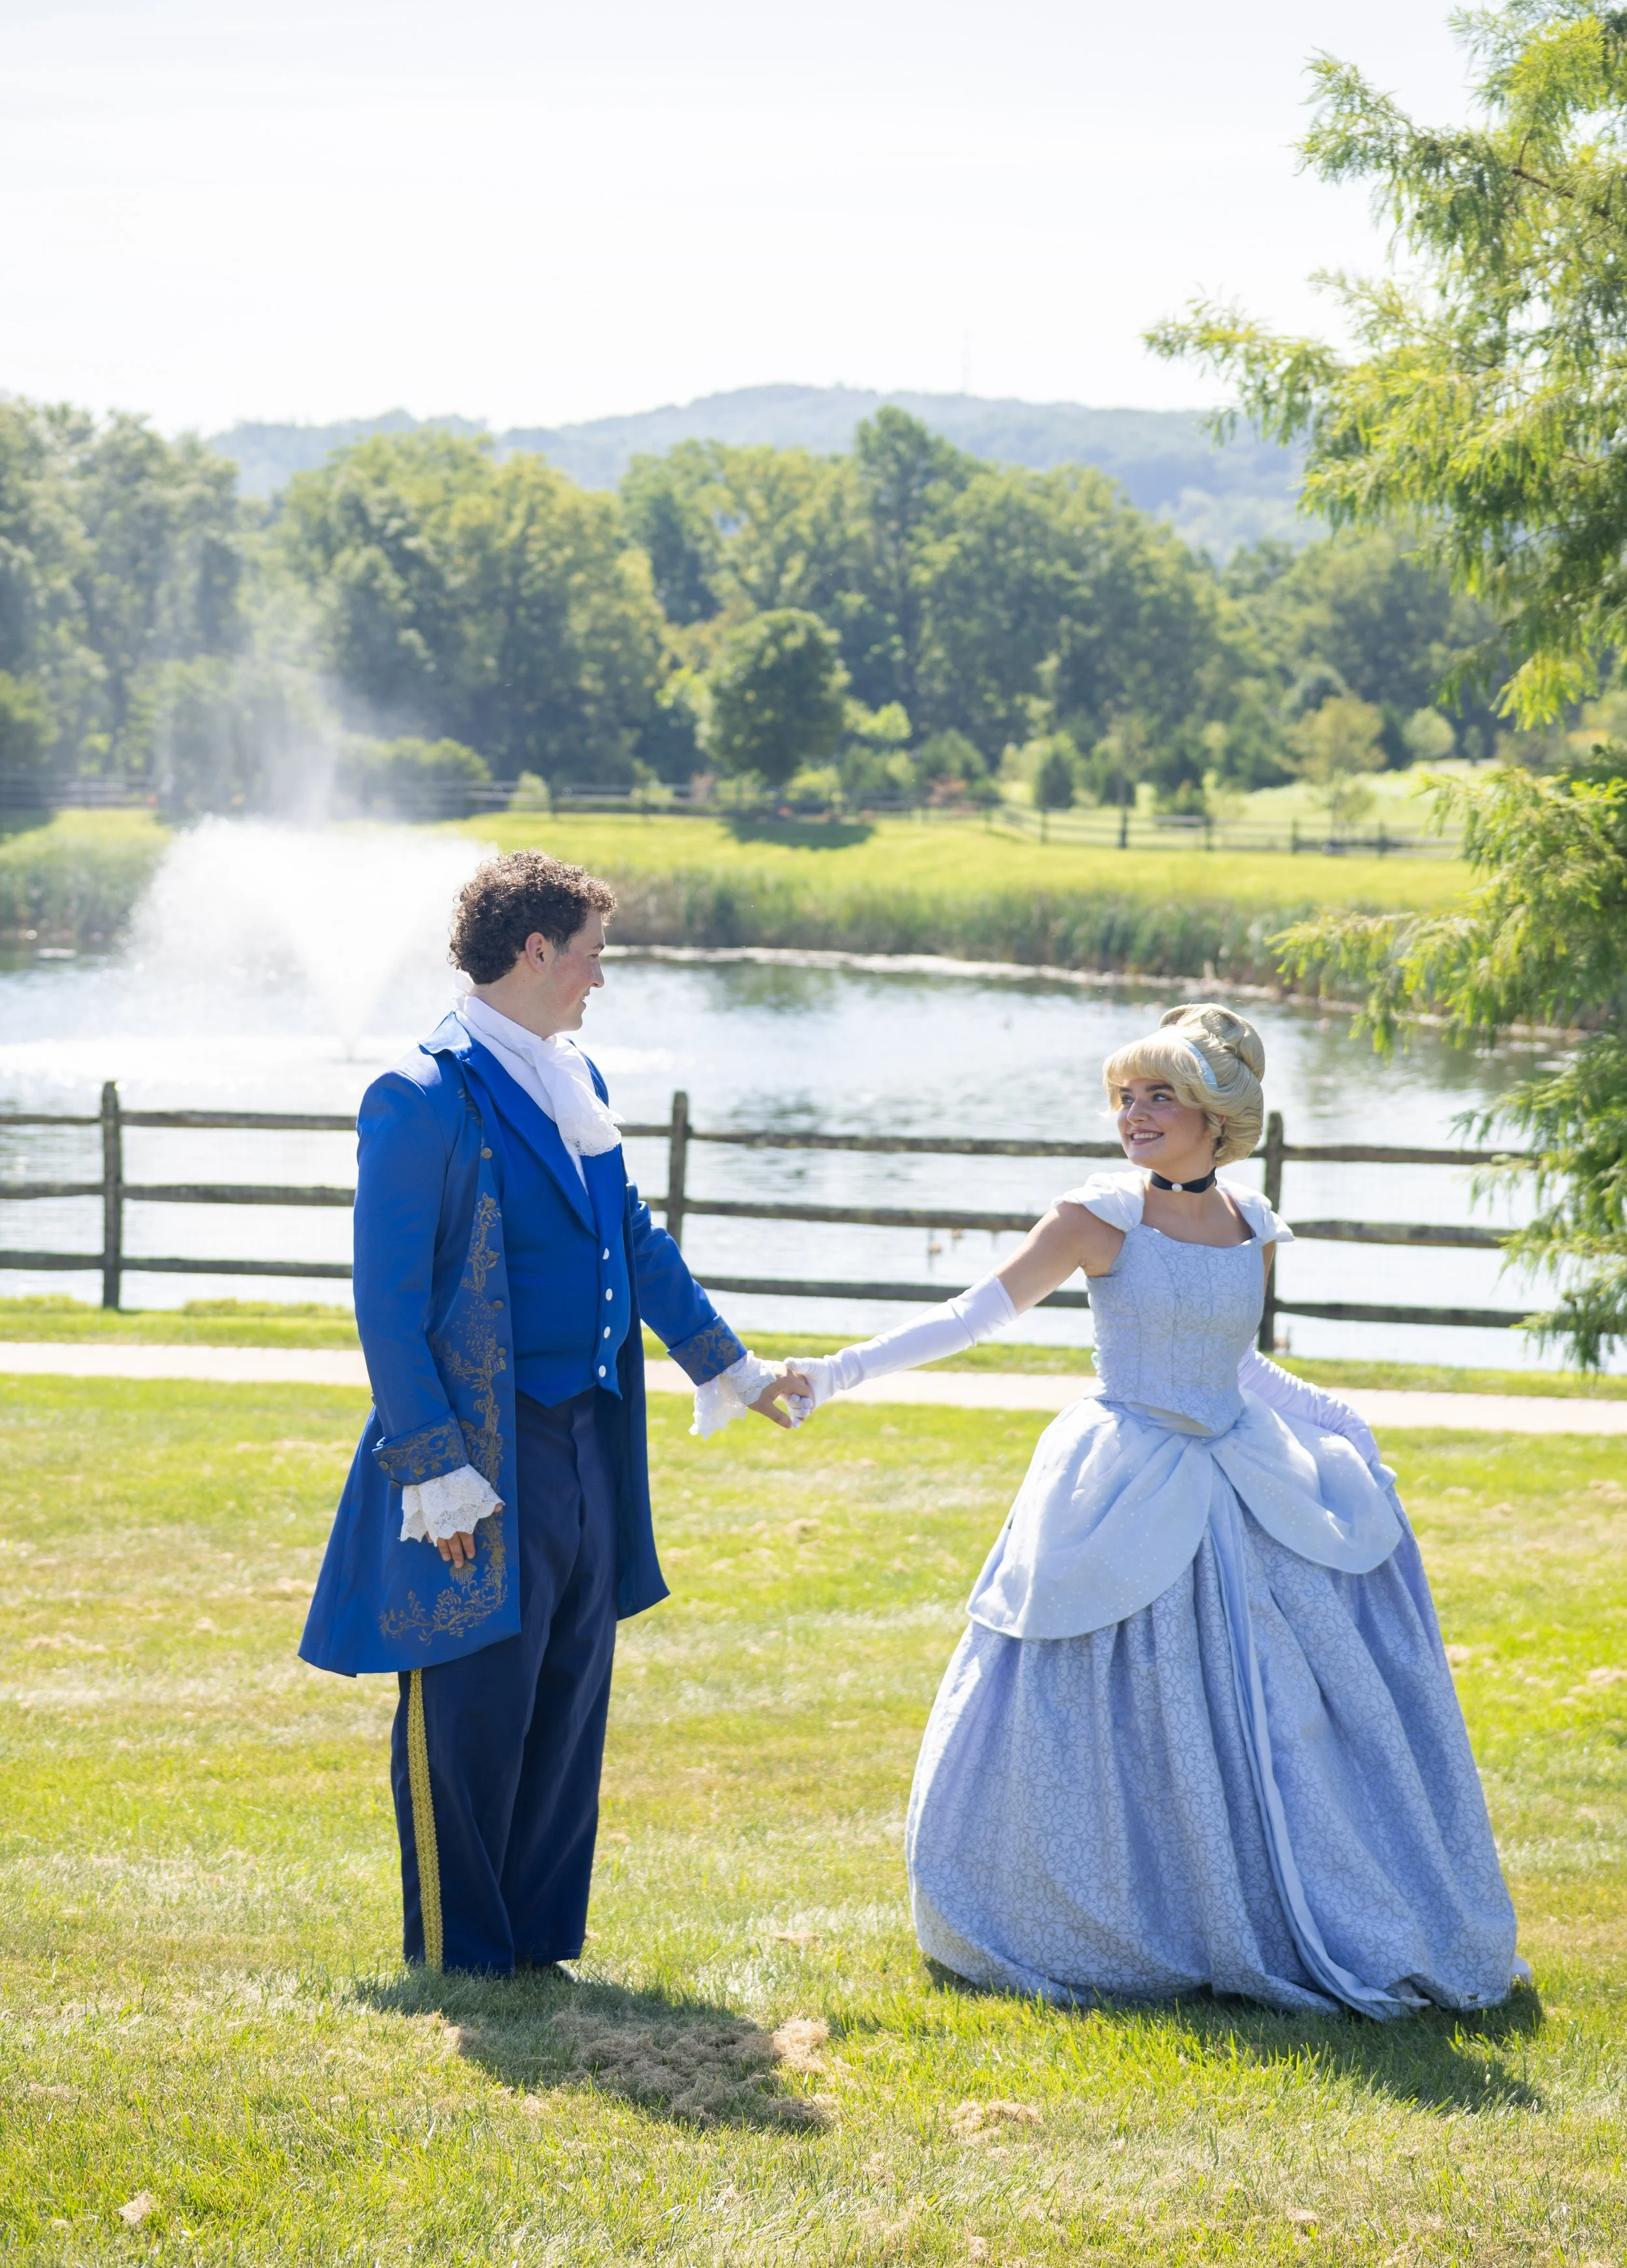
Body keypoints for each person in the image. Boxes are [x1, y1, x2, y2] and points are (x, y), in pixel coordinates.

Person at [771, 1002, 1524, 2017]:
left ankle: (1279, 1900)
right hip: (1123, 1477)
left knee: (1284, 1714)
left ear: (1216, 1114)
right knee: (1105, 1705)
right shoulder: (1099, 1217)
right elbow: (973, 1314)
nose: (1135, 1114)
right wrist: (832, 1373)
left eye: (1158, 1096)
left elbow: (1242, 1364)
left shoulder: (1251, 1226)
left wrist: (1346, 1427)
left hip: (1238, 1473)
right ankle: (1108, 1912)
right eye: (1126, 1097)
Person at [301, 851, 791, 1976]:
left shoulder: (580, 1080)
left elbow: (636, 1244)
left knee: (568, 1691)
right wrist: (435, 1467)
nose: (598, 980)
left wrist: (734, 1368)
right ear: (535, 952)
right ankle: (461, 1951)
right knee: (471, 1702)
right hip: (481, 1446)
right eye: (590, 956)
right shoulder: (418, 1094)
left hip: (587, 1437)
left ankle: (536, 1943)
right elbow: (386, 1300)